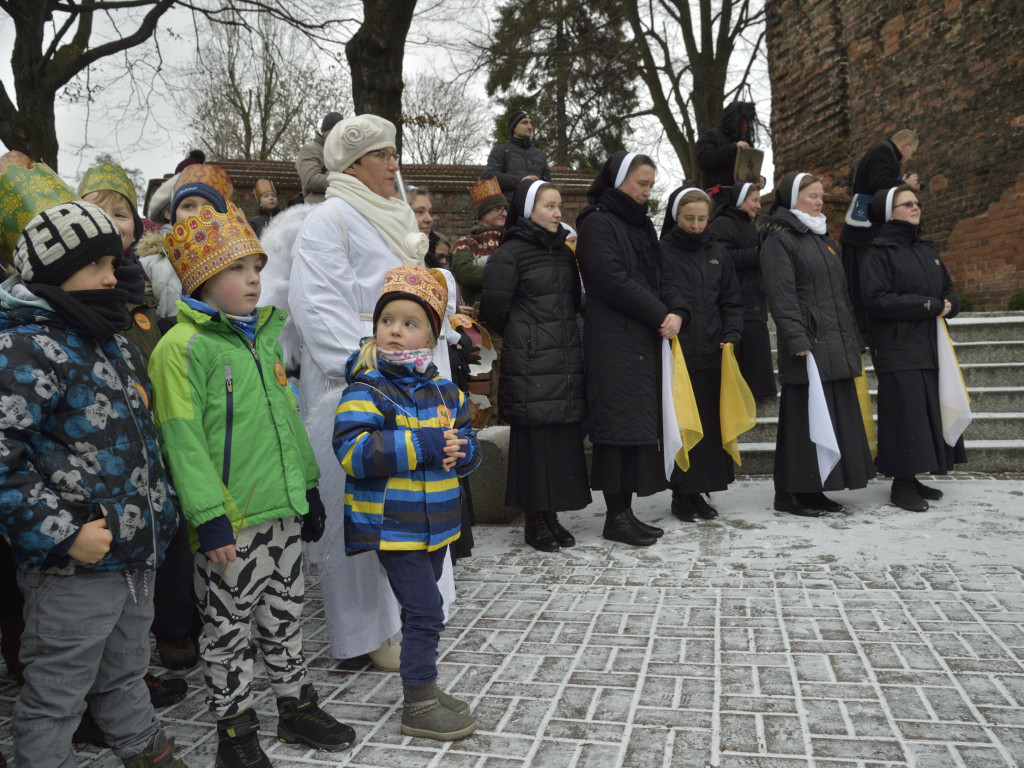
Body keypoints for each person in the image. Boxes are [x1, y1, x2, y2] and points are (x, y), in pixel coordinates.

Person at [148, 201, 355, 767]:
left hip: (282, 510)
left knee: (286, 616)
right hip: (230, 524)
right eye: (237, 269)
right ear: (202, 278)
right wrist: (208, 517)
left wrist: (308, 488)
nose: (253, 279)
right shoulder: (182, 348)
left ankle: (295, 708)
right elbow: (182, 442)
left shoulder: (261, 335)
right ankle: (235, 734)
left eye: (257, 267)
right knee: (228, 632)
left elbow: (286, 419)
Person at [0, 196, 185, 768]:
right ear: (56, 274)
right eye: (97, 267)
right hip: (73, 563)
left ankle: (140, 746)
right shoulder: (24, 346)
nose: (113, 276)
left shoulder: (110, 336)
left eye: (114, 262)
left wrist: (162, 510)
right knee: (58, 687)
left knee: (127, 666)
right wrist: (62, 534)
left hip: (134, 551)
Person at [289, 114, 459, 673]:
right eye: (382, 156)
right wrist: (371, 369)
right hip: (360, 381)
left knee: (412, 496)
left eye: (393, 154)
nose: (394, 165)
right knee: (366, 507)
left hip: (412, 374)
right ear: (352, 164)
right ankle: (365, 631)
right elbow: (317, 307)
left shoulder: (396, 216)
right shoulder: (329, 220)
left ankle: (414, 612)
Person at [333, 264, 480, 741]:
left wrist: (463, 451)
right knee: (425, 612)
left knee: (424, 610)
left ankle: (427, 688)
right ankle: (418, 703)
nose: (395, 330)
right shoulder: (366, 389)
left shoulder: (445, 391)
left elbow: (464, 444)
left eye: (410, 322)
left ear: (432, 335)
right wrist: (424, 445)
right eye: (387, 320)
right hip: (392, 525)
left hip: (436, 522)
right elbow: (353, 453)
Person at [575, 150, 688, 546]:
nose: (647, 192)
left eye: (651, 185)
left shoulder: (643, 227)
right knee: (616, 429)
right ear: (619, 180)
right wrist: (660, 313)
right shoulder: (597, 224)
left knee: (636, 426)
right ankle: (615, 516)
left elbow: (663, 274)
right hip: (613, 341)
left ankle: (625, 513)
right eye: (642, 184)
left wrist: (677, 311)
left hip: (643, 338)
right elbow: (611, 280)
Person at [480, 179, 591, 552]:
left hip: (562, 358)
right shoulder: (508, 255)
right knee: (533, 444)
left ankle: (551, 515)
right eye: (549, 206)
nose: (558, 213)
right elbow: (494, 311)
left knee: (558, 442)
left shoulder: (564, 253)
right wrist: (527, 335)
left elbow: (574, 303)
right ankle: (533, 520)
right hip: (530, 362)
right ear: (528, 210)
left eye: (559, 206)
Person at [759, 172, 874, 517]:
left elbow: (838, 297)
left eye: (821, 196)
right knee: (802, 421)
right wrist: (796, 337)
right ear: (792, 198)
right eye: (812, 196)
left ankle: (817, 488)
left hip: (834, 343)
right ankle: (792, 492)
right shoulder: (780, 240)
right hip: (808, 345)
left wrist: (852, 338)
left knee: (832, 419)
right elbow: (781, 296)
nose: (820, 202)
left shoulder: (822, 238)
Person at [861, 185, 964, 511]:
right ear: (890, 212)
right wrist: (929, 305)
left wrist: (952, 303)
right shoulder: (878, 253)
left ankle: (914, 475)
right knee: (905, 416)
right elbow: (877, 301)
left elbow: (947, 288)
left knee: (926, 414)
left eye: (917, 202)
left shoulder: (927, 249)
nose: (915, 207)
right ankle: (900, 485)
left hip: (931, 345)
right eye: (908, 204)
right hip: (898, 346)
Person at [659, 187, 744, 522]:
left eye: (701, 219)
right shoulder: (663, 251)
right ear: (675, 217)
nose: (695, 225)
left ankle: (702, 489)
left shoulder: (719, 253)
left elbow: (732, 300)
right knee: (684, 425)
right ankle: (683, 493)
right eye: (688, 218)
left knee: (708, 424)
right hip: (679, 352)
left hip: (713, 349)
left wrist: (732, 333)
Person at [839, 129, 921, 338]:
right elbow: (879, 185)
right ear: (905, 146)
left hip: (862, 233)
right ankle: (862, 330)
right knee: (862, 283)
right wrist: (905, 184)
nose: (910, 157)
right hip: (862, 234)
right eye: (912, 152)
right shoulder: (884, 154)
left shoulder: (881, 154)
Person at [137, 163, 236, 325]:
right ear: (172, 214)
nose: (198, 214)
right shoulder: (149, 265)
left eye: (209, 208)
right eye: (188, 206)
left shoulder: (235, 265)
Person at [709, 181, 776, 399]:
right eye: (754, 200)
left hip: (755, 303)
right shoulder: (723, 224)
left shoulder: (751, 224)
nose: (759, 205)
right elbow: (721, 258)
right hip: (738, 303)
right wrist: (758, 254)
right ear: (740, 201)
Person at [450, 177, 508, 308]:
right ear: (483, 212)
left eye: (505, 209)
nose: (504, 213)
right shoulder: (466, 242)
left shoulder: (510, 239)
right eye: (499, 208)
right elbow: (464, 272)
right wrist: (503, 275)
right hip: (476, 320)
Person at [695, 101, 760, 204]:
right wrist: (732, 148)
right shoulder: (711, 136)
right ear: (736, 119)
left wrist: (758, 178)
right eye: (746, 121)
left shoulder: (746, 143)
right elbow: (704, 160)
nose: (750, 126)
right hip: (719, 200)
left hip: (743, 200)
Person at [483, 110, 551, 196]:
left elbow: (547, 183)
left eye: (530, 123)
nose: (530, 126)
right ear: (514, 127)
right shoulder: (501, 150)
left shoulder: (540, 154)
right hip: (509, 207)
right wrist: (520, 181)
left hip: (535, 207)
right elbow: (489, 175)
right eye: (524, 123)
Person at [295, 111, 343, 204]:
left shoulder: (344, 152)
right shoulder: (309, 150)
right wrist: (345, 182)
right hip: (319, 206)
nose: (338, 134)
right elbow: (312, 180)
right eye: (334, 130)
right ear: (324, 132)